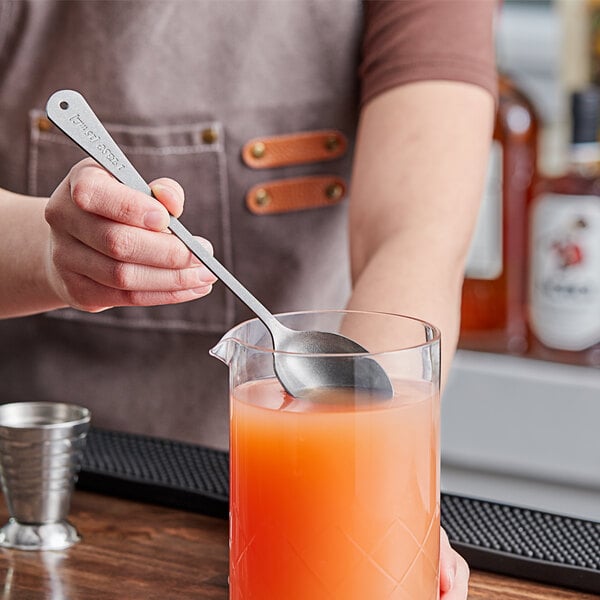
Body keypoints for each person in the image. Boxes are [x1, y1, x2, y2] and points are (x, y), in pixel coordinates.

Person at [0, 1, 497, 597]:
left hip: (241, 507)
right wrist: (51, 253)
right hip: (33, 485)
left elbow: (415, 236)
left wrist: (378, 491)